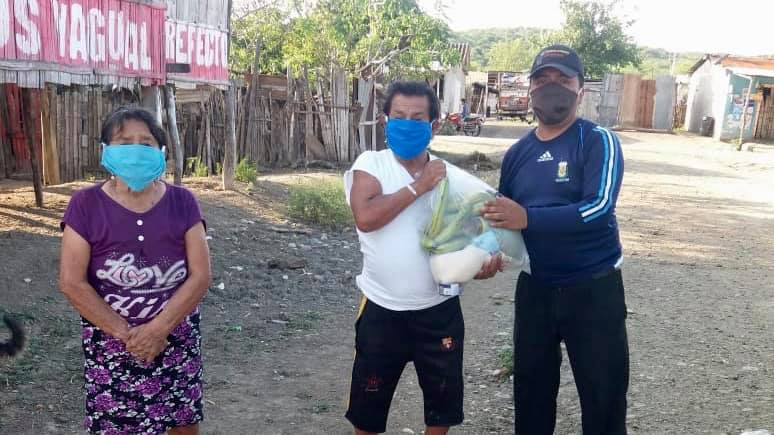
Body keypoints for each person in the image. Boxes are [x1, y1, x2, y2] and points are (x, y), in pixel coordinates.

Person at [482, 45, 628, 434]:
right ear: (530, 89)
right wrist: (485, 254)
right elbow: (503, 220)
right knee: (531, 395)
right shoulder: (517, 154)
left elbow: (599, 207)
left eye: (563, 79)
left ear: (581, 90)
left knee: (604, 398)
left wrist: (529, 217)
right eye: (543, 79)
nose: (552, 86)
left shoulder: (597, 141)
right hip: (536, 289)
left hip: (593, 290)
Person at [343, 81, 501, 435]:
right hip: (382, 309)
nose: (407, 124)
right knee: (367, 409)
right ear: (385, 121)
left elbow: (471, 237)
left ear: (434, 126)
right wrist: (419, 186)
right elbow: (366, 218)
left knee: (442, 407)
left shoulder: (451, 179)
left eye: (417, 118)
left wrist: (480, 263)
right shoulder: (372, 164)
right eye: (399, 116)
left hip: (439, 311)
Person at [59, 106, 211, 435]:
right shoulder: (85, 206)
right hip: (111, 343)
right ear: (105, 150)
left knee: (182, 423)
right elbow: (72, 282)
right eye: (125, 143)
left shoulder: (183, 202)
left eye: (146, 143)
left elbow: (200, 275)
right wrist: (127, 334)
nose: (136, 150)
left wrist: (158, 330)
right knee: (117, 426)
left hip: (175, 338)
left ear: (161, 151)